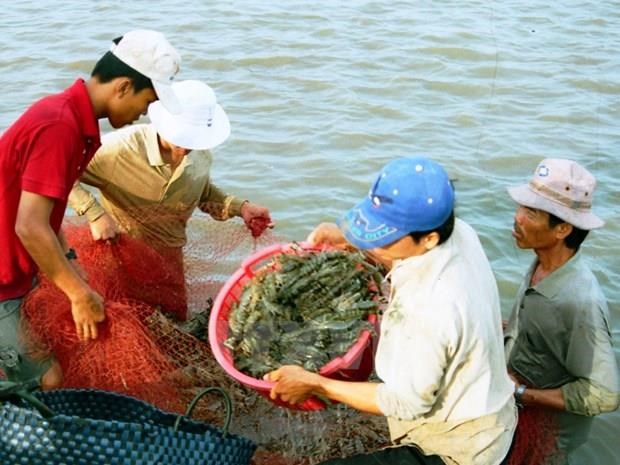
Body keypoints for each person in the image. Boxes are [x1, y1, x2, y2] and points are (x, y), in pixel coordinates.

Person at [267, 157, 516, 465]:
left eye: (385, 235)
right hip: (486, 405)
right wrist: (348, 238)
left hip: (459, 449)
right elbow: (404, 255)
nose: (376, 243)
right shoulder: (460, 233)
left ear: (428, 238)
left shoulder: (432, 308)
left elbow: (405, 402)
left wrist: (317, 384)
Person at [0, 29, 181, 390]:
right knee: (47, 380)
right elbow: (30, 226)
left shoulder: (75, 123)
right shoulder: (59, 125)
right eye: (146, 103)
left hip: (16, 267)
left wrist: (69, 259)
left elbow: (48, 213)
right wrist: (78, 294)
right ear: (123, 87)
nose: (144, 114)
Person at [68, 79, 272, 320]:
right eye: (181, 139)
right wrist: (95, 213)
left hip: (169, 265)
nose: (186, 148)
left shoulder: (200, 153)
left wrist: (242, 208)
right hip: (120, 258)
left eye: (193, 140)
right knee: (125, 324)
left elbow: (202, 193)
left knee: (175, 324)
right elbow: (61, 172)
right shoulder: (118, 149)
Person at [504, 158, 619, 462]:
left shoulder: (580, 303)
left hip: (547, 434)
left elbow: (603, 394)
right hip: (517, 413)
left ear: (563, 229)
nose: (517, 218)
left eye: (530, 213)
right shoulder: (542, 266)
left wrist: (521, 394)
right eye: (520, 208)